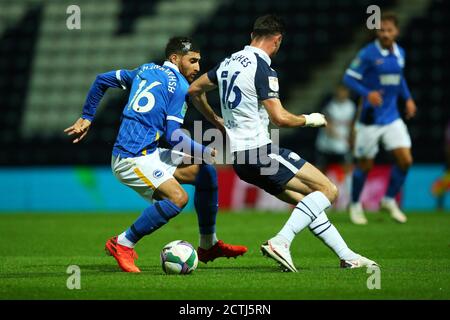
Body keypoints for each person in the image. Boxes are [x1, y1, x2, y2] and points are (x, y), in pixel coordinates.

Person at [189, 15, 377, 272]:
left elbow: (194, 91)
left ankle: (347, 256)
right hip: (260, 152)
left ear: (252, 36)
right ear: (277, 40)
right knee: (329, 190)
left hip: (240, 160)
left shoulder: (227, 63)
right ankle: (281, 241)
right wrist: (310, 120)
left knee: (307, 202)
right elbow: (280, 118)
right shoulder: (262, 68)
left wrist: (217, 120)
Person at [64, 37, 247, 273]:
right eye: (192, 61)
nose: (198, 68)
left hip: (148, 151)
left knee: (205, 171)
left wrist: (87, 116)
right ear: (175, 58)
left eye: (198, 62)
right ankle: (122, 243)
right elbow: (173, 136)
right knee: (177, 198)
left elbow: (101, 81)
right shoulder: (180, 86)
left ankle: (208, 245)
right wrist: (204, 151)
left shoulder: (144, 69)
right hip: (131, 158)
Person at [343, 12, 417, 225]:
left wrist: (408, 99)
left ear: (396, 31)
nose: (385, 34)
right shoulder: (367, 53)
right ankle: (356, 205)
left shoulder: (400, 53)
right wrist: (368, 93)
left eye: (389, 30)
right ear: (377, 31)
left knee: (406, 160)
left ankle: (389, 199)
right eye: (381, 30)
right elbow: (348, 77)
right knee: (365, 165)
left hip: (392, 117)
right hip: (370, 119)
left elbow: (399, 78)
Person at [315, 84, 356, 172]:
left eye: (344, 91)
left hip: (343, 144)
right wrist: (334, 133)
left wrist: (351, 138)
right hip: (326, 143)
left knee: (347, 166)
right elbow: (326, 123)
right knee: (321, 168)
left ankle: (348, 185)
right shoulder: (329, 105)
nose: (342, 93)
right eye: (340, 91)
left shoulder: (351, 106)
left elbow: (352, 124)